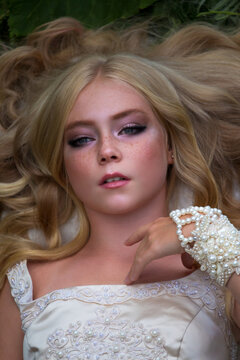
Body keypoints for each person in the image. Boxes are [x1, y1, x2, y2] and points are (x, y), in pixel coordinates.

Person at [0, 17, 239, 359]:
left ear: (171, 147)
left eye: (130, 129)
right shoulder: (27, 284)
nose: (107, 151)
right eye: (82, 139)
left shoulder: (224, 272)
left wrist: (208, 238)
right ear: (62, 166)